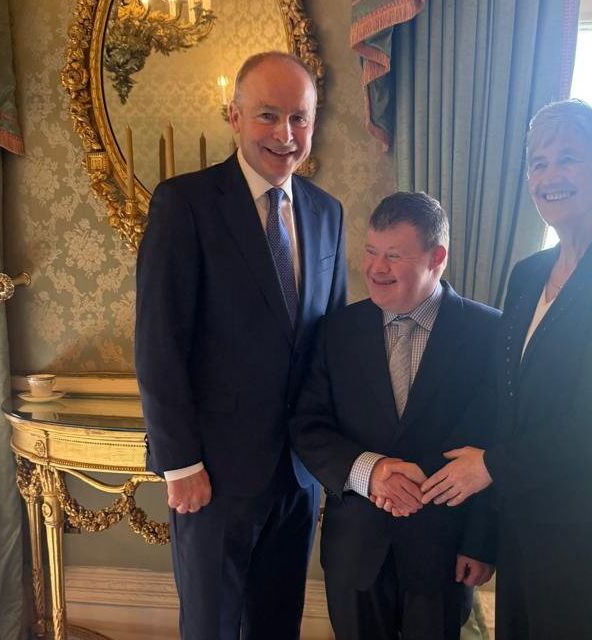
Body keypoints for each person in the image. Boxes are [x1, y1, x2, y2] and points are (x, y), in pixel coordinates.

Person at [419, 100, 592, 639]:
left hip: (588, 523)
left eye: (567, 160)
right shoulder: (528, 274)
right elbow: (501, 403)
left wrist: (491, 467)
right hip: (521, 519)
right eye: (538, 163)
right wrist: (481, 534)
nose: (548, 176)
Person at [134, 52, 347, 640]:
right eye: (267, 116)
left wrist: (336, 458)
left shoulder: (328, 214)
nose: (285, 134)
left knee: (278, 624)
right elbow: (159, 343)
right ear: (234, 116)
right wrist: (181, 464)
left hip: (299, 476)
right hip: (213, 477)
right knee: (212, 627)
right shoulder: (186, 205)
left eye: (299, 118)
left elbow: (331, 348)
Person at [290, 192, 498, 640]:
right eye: (370, 252)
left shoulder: (489, 334)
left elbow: (498, 441)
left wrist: (481, 543)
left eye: (393, 256)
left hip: (443, 555)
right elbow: (308, 426)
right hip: (356, 552)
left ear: (436, 258)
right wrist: (371, 471)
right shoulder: (336, 331)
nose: (375, 269)